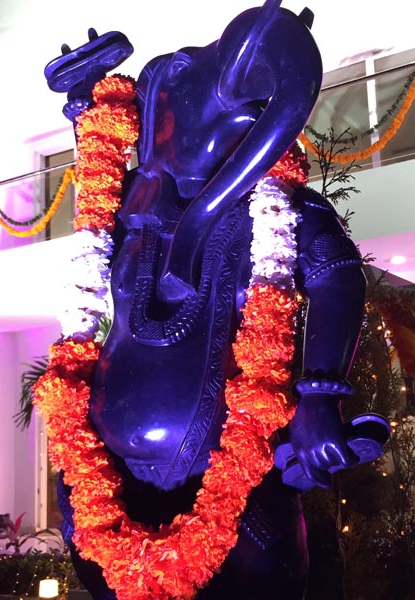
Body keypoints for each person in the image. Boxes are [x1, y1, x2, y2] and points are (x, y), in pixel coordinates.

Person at [45, 2, 372, 598]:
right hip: (105, 488)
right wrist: (87, 104)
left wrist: (320, 394)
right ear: (154, 120)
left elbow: (337, 275)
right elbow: (98, 161)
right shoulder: (124, 210)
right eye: (187, 68)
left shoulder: (279, 206)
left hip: (239, 490)